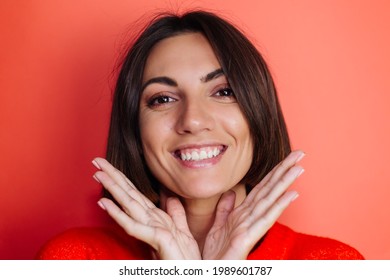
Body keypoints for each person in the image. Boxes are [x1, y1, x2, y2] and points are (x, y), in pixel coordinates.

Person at [37, 10, 364, 260]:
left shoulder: (333, 264)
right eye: (162, 99)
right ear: (135, 130)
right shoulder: (75, 260)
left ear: (258, 113)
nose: (192, 120)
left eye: (223, 91)